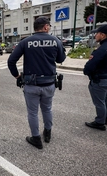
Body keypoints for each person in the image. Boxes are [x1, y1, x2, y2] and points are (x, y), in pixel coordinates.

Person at [8, 16, 66, 149]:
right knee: (47, 109)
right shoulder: (55, 40)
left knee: (32, 112)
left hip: (31, 85)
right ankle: (47, 133)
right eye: (49, 26)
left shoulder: (25, 42)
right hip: (49, 84)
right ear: (46, 27)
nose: (49, 28)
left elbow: (11, 61)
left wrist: (17, 76)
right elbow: (60, 59)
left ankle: (36, 139)